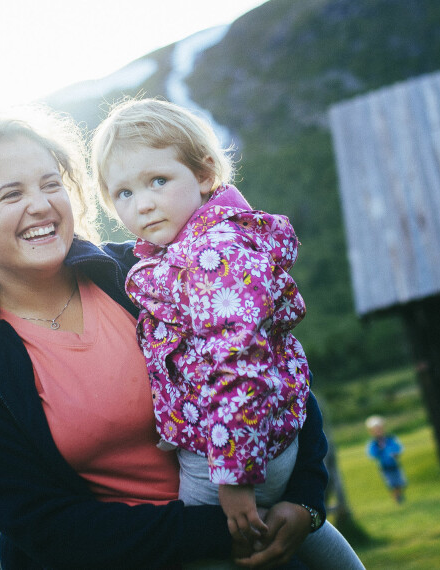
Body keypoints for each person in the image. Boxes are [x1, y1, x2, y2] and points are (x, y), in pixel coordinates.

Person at [0, 105, 330, 569]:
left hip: (256, 523)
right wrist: (216, 533)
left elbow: (268, 365)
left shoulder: (146, 272)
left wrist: (305, 500)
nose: (41, 204)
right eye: (11, 194)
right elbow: (44, 525)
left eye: (51, 184)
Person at [89, 98, 363, 570]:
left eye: (158, 180)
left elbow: (237, 362)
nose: (144, 203)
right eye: (124, 194)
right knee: (294, 535)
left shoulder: (214, 255)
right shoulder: (191, 247)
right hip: (257, 442)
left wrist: (233, 476)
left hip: (225, 455)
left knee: (212, 554)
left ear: (203, 173)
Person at [364, 416, 406, 504]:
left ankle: (399, 495)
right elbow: (371, 454)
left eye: (379, 429)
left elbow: (398, 447)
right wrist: (379, 451)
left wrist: (396, 453)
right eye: (376, 430)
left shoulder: (390, 439)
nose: (378, 431)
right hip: (384, 467)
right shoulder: (374, 443)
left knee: (400, 481)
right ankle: (397, 498)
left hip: (394, 464)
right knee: (391, 483)